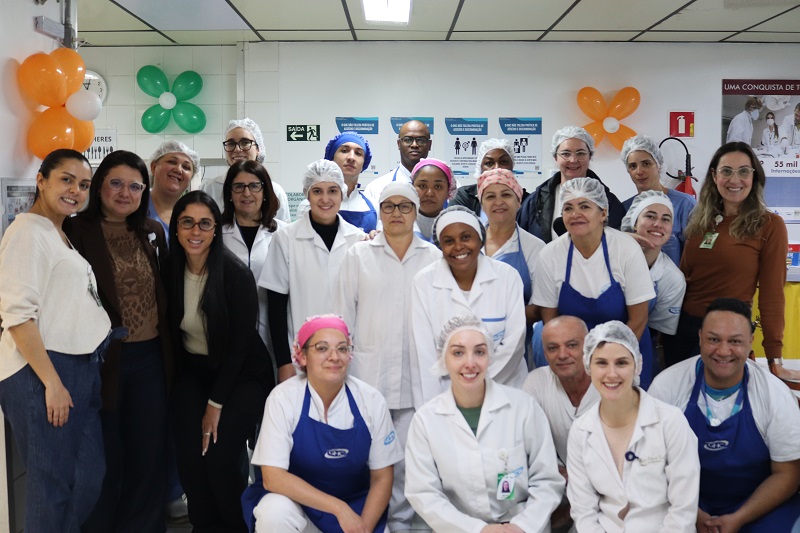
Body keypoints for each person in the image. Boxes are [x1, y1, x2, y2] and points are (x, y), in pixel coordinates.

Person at [0, 149, 113, 532]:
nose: (75, 190)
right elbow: (18, 316)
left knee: (87, 477)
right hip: (42, 370)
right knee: (51, 487)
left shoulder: (57, 232)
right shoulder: (27, 233)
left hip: (79, 368)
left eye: (83, 184)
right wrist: (51, 382)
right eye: (66, 179)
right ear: (41, 181)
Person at [64, 150, 172, 532]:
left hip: (150, 360)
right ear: (98, 187)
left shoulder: (152, 232)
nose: (125, 193)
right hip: (99, 361)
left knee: (148, 454)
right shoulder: (74, 231)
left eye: (135, 186)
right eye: (116, 183)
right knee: (102, 456)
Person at [333, 182, 441, 531]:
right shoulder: (358, 255)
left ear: (416, 211)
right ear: (379, 212)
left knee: (408, 462)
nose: (396, 213)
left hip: (417, 378)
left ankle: (401, 525)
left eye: (404, 206)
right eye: (388, 206)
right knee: (367, 459)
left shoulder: (433, 258)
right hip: (368, 377)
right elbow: (342, 317)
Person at [167, 191, 274, 532]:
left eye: (205, 223)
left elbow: (240, 348)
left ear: (216, 229)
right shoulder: (169, 270)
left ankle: (235, 526)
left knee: (219, 457)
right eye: (187, 222)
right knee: (190, 457)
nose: (195, 231)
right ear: (176, 227)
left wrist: (215, 405)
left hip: (242, 373)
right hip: (196, 371)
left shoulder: (234, 275)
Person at [649, 298, 800, 533]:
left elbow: (788, 474)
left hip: (757, 506)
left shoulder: (774, 394)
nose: (723, 351)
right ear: (700, 337)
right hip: (680, 503)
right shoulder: (667, 387)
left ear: (750, 341)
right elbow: (650, 464)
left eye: (735, 341)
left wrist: (739, 518)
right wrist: (692, 513)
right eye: (713, 339)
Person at [404, 315, 564, 532]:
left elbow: (547, 481)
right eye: (458, 353)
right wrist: (478, 530)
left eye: (479, 352)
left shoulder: (523, 407)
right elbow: (424, 493)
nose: (470, 363)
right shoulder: (426, 421)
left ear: (490, 357)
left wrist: (522, 526)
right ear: (443, 359)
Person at [246, 314, 403, 533]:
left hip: (355, 510)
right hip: (298, 507)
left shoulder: (371, 400)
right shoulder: (283, 399)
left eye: (342, 349)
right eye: (322, 348)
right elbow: (273, 478)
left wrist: (363, 528)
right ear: (302, 356)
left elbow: (382, 477)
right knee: (273, 513)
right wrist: (338, 508)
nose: (334, 357)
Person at [666, 142, 800, 381]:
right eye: (726, 171)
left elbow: (771, 295)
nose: (734, 179)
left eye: (743, 171)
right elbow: (682, 280)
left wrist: (774, 359)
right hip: (682, 335)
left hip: (727, 337)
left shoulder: (769, 225)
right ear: (714, 176)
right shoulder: (700, 221)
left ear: (754, 176)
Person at [566, 321, 700, 533]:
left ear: (637, 364)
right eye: (601, 363)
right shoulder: (581, 431)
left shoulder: (670, 422)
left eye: (621, 363)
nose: (611, 374)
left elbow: (683, 508)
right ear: (588, 367)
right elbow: (584, 511)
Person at [531, 177, 657, 388]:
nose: (575, 214)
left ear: (603, 213)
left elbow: (638, 319)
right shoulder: (550, 255)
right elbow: (550, 321)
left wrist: (605, 363)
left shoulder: (626, 249)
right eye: (568, 208)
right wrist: (576, 364)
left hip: (624, 351)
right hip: (571, 357)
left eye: (584, 206)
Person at [410, 206, 527, 409]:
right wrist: (434, 408)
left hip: (504, 389)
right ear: (440, 246)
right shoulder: (424, 282)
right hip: (446, 393)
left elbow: (514, 343)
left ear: (480, 239)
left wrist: (476, 384)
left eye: (466, 237)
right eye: (449, 241)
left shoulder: (507, 277)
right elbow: (424, 353)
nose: (458, 247)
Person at [261, 160, 364, 384]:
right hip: (300, 358)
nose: (325, 199)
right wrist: (284, 363)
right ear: (307, 194)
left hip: (347, 356)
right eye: (317, 191)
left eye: (332, 191)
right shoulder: (286, 239)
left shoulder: (357, 239)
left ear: (342, 193)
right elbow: (276, 307)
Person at [522, 316, 599, 532]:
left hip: (607, 485)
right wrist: (553, 467)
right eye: (553, 348)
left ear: (588, 347)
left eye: (572, 345)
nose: (562, 355)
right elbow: (525, 441)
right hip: (556, 481)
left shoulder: (608, 381)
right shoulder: (537, 381)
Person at [220, 159, 287, 368]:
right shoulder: (216, 234)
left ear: (265, 191)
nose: (246, 193)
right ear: (229, 193)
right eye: (239, 187)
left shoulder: (284, 234)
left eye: (254, 186)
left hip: (273, 335)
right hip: (227, 336)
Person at [478, 168, 545, 366]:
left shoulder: (535, 248)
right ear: (482, 204)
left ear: (518, 201)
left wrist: (499, 318)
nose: (498, 202)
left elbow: (540, 307)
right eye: (490, 196)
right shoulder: (470, 243)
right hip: (471, 344)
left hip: (518, 348)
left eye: (506, 195)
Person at [517, 126, 626, 243]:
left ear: (590, 156)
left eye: (580, 153)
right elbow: (521, 241)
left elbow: (619, 242)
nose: (573, 160)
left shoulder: (609, 202)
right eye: (566, 154)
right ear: (555, 157)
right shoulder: (535, 202)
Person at [621, 191, 686, 373]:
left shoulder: (672, 279)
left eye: (666, 219)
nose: (658, 224)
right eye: (650, 216)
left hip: (638, 349)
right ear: (634, 222)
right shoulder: (607, 255)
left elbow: (658, 334)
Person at [620, 134, 696, 265]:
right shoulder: (624, 208)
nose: (639, 171)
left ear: (659, 165)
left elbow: (696, 255)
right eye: (633, 166)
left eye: (646, 164)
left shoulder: (685, 204)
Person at [200, 117, 290, 222]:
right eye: (231, 143)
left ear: (258, 149)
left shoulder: (275, 191)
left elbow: (283, 229)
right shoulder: (208, 188)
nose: (237, 149)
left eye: (245, 142)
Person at [297, 131, 377, 232]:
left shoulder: (374, 205)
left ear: (364, 164)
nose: (351, 157)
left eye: (358, 153)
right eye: (344, 150)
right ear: (331, 158)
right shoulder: (309, 205)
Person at [452, 138, 521, 221]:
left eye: (503, 162)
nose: (496, 168)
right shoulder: (464, 196)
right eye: (489, 163)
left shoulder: (527, 201)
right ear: (480, 167)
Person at [364, 120, 431, 204]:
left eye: (421, 140)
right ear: (399, 144)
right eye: (408, 140)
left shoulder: (441, 190)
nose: (414, 145)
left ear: (429, 145)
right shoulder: (375, 189)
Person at [147, 140, 200, 238]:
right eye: (172, 162)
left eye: (186, 167)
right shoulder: (136, 205)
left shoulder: (191, 216)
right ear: (154, 167)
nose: (178, 170)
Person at [409, 158, 457, 242]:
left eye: (437, 187)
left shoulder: (457, 227)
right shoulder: (398, 225)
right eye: (422, 186)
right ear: (412, 187)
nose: (429, 193)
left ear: (449, 190)